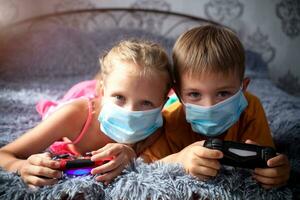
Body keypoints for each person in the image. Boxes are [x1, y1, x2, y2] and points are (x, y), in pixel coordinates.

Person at [0, 39, 172, 188]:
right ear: (103, 92)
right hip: (83, 101)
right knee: (82, 91)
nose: (130, 112)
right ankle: (94, 85)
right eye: (119, 97)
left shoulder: (161, 126)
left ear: (163, 103)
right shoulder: (73, 116)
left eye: (146, 103)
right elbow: (4, 154)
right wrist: (20, 166)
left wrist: (133, 155)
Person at [140, 25, 290, 189]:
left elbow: (268, 161)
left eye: (223, 93)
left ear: (243, 88)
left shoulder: (251, 109)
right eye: (195, 94)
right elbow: (143, 168)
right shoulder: (169, 120)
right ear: (177, 92)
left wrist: (276, 171)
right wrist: (179, 160)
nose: (209, 106)